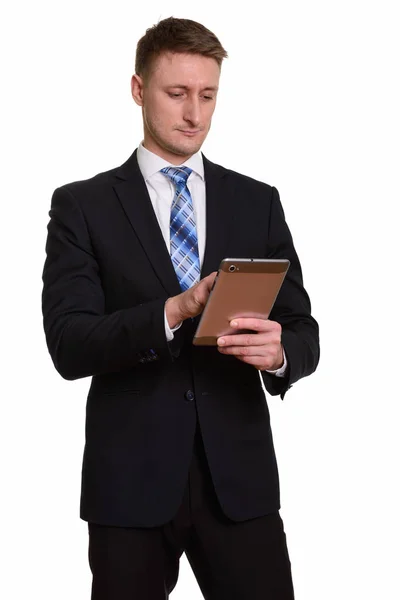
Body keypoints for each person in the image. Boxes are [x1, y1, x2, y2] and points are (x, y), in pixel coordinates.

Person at [42, 16, 319, 600]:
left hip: (238, 485)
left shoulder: (257, 202)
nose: (195, 113)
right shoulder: (82, 207)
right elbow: (69, 343)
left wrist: (280, 355)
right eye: (177, 94)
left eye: (208, 95)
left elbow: (302, 329)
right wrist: (172, 311)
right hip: (131, 486)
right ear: (139, 90)